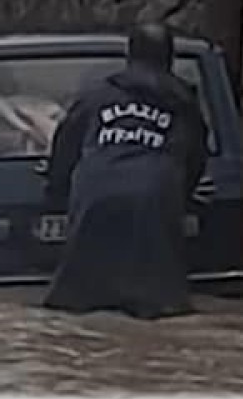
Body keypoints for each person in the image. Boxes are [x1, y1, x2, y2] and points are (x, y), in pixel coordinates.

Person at [41, 22, 209, 319]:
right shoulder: (184, 104)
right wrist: (185, 198)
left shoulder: (97, 96)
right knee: (162, 308)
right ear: (169, 59)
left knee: (76, 304)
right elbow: (195, 157)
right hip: (155, 200)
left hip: (96, 196)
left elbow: (65, 145)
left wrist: (55, 192)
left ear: (130, 56)